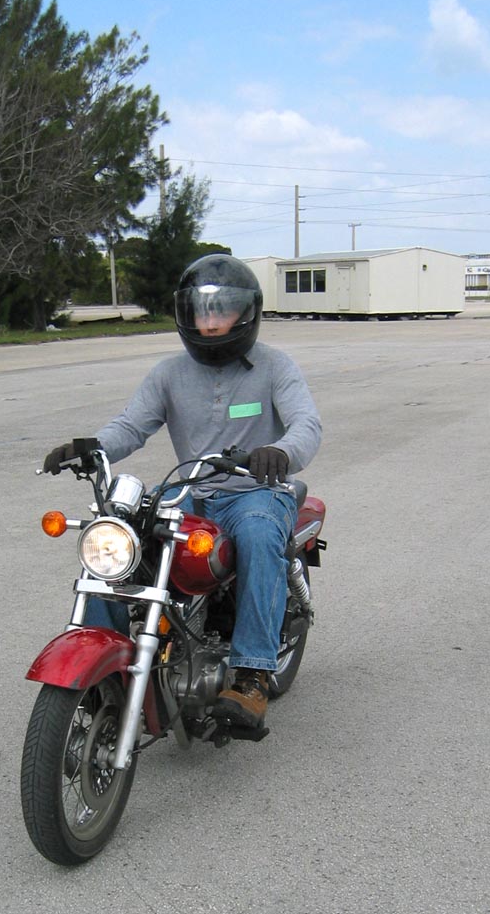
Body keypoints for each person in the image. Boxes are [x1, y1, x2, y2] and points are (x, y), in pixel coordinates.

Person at [43, 254, 322, 730]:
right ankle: (103, 662)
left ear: (247, 313)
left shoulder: (275, 366)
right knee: (120, 533)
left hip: (256, 492)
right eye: (201, 312)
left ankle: (252, 675)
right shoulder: (169, 373)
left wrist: (280, 451)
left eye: (222, 312)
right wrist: (92, 448)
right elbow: (132, 425)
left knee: (258, 536)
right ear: (185, 315)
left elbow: (306, 424)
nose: (210, 324)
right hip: (190, 490)